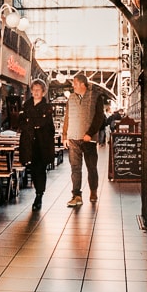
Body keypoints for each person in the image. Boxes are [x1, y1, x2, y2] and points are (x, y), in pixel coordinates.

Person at [62, 71, 104, 206]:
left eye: (74, 83)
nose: (73, 86)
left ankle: (93, 191)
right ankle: (76, 195)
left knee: (91, 167)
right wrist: (64, 136)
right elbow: (67, 117)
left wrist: (90, 133)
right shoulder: (71, 98)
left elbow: (99, 118)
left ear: (81, 84)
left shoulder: (96, 97)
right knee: (75, 168)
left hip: (88, 139)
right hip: (73, 138)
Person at [18, 78, 55, 211]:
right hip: (28, 143)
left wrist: (31, 123)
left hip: (42, 144)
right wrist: (31, 124)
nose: (36, 92)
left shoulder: (47, 107)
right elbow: (21, 121)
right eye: (34, 90)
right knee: (33, 168)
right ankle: (38, 193)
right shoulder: (26, 105)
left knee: (40, 169)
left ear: (43, 92)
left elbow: (44, 124)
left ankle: (39, 195)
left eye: (38, 90)